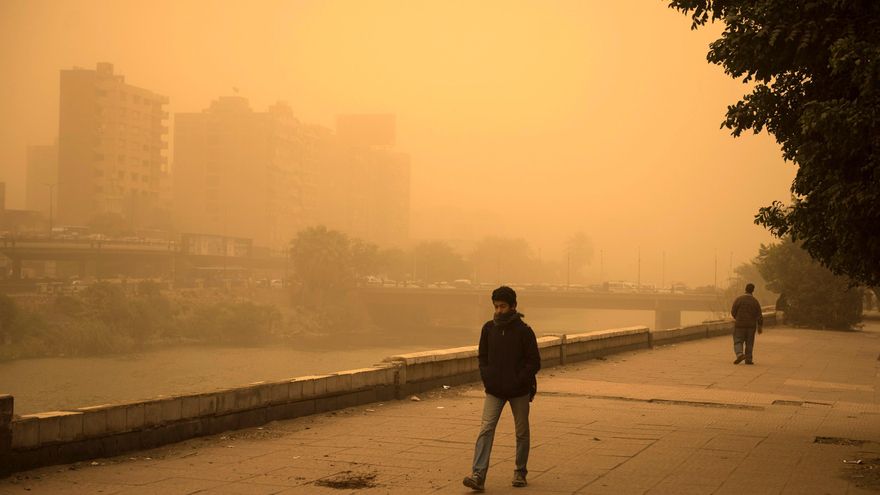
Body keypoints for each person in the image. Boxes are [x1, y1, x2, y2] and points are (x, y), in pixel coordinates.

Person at [463, 286, 541, 491]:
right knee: (486, 430)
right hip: (494, 390)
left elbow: (534, 362)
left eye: (503, 306)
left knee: (521, 432)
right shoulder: (488, 329)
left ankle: (520, 472)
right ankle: (478, 474)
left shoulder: (525, 331)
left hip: (519, 391)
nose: (498, 310)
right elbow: (483, 357)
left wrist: (519, 380)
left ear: (513, 306)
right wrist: (487, 378)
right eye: (496, 306)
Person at [731, 283, 764, 365]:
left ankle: (739, 354)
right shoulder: (755, 301)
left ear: (745, 289)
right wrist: (760, 326)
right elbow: (759, 315)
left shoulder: (739, 299)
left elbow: (733, 311)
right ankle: (748, 359)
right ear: (753, 290)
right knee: (749, 342)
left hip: (739, 325)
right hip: (751, 326)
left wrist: (737, 318)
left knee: (738, 340)